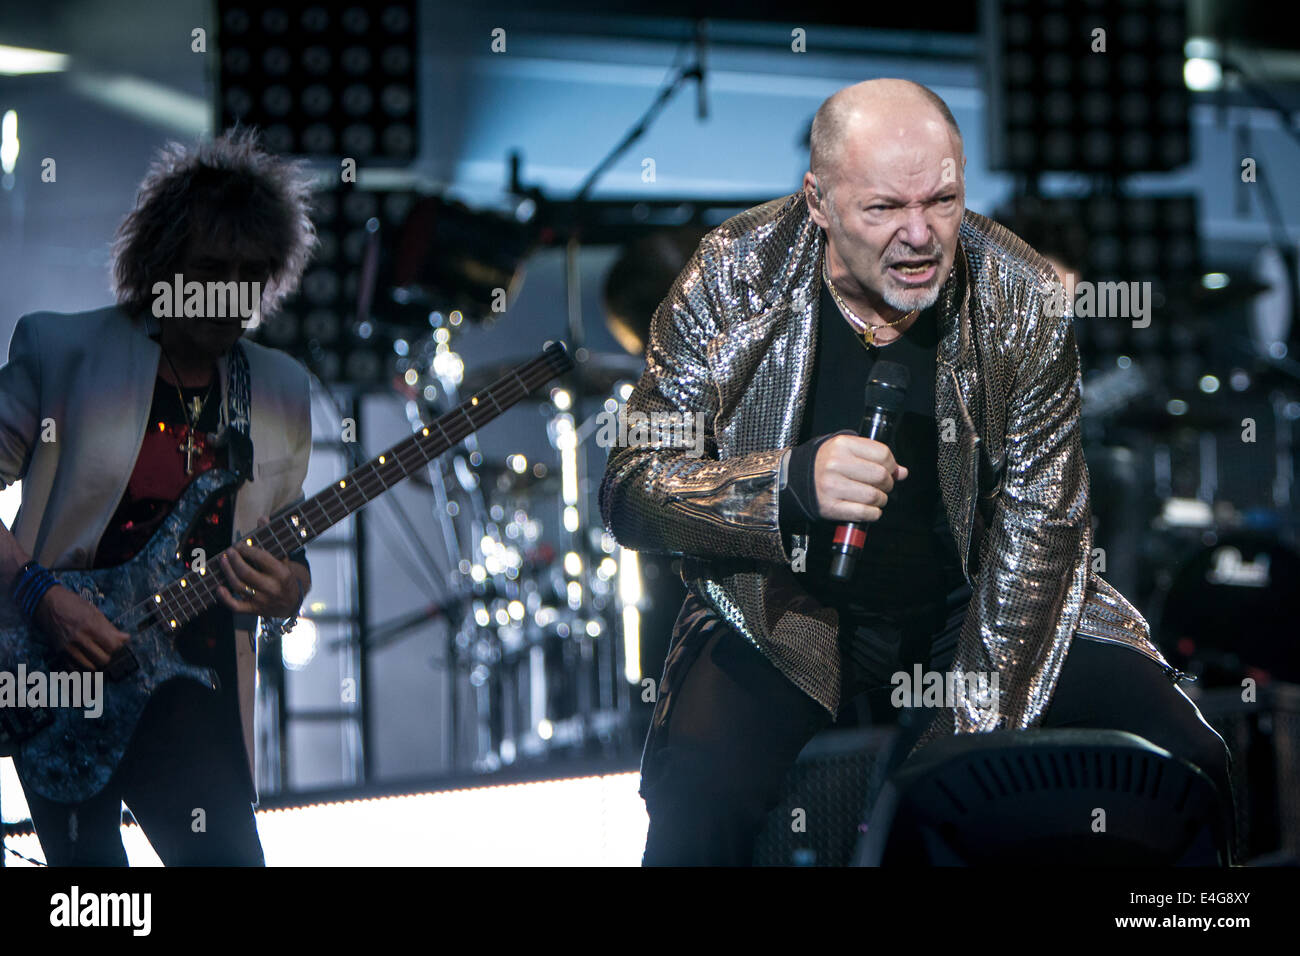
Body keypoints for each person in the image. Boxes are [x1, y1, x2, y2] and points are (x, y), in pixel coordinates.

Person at [599, 79, 1236, 865]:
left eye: (942, 200)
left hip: (979, 593)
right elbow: (632, 486)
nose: (920, 234)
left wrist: (965, 743)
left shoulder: (1020, 292)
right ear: (818, 203)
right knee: (699, 794)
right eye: (883, 209)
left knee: (1192, 759)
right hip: (781, 601)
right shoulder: (731, 277)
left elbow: (1044, 527)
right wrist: (791, 485)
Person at [0, 129, 316, 865]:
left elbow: (287, 546)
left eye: (250, 273)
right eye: (209, 268)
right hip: (62, 668)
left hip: (194, 688)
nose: (229, 291)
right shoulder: (60, 351)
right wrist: (42, 596)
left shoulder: (280, 389)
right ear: (159, 268)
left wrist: (289, 591)